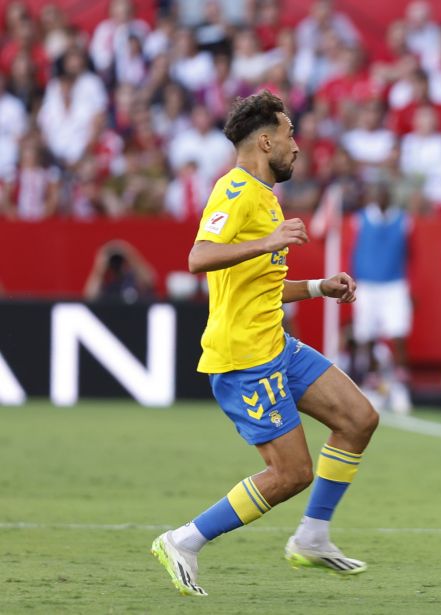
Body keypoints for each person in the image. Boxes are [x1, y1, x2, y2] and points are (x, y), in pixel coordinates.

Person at [150, 91, 379, 597]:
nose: (298, 146)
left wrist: (320, 287)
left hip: (275, 343)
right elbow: (198, 256)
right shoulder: (234, 192)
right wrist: (268, 241)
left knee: (359, 419)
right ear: (266, 140)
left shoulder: (264, 196)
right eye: (291, 134)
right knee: (290, 473)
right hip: (243, 359)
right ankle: (183, 540)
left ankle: (312, 538)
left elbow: (264, 282)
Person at [350, 181, 414, 414]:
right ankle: (373, 386)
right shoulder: (362, 219)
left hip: (394, 284)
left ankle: (399, 388)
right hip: (367, 285)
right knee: (367, 337)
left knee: (398, 337)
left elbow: (410, 254)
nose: (381, 196)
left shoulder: (403, 220)